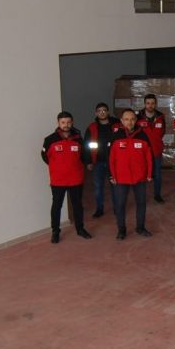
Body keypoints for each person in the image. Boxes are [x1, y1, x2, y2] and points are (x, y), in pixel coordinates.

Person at [41, 111, 92, 244]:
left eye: (69, 122)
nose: (66, 125)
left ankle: (80, 229)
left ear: (72, 122)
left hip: (76, 179)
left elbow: (84, 155)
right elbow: (45, 157)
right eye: (63, 122)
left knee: (77, 205)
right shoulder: (49, 139)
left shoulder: (78, 138)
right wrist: (57, 167)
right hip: (58, 180)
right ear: (58, 123)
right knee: (57, 206)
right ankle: (55, 231)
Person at [109, 109, 153, 240]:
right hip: (120, 178)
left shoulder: (143, 136)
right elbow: (110, 158)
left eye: (133, 119)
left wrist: (149, 174)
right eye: (127, 119)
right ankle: (121, 230)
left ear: (136, 120)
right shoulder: (115, 136)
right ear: (122, 121)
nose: (130, 122)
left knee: (141, 203)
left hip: (140, 178)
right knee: (120, 205)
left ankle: (140, 227)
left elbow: (149, 157)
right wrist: (111, 175)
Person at [84, 102, 121, 218]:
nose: (102, 112)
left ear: (108, 112)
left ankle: (117, 208)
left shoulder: (117, 124)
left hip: (113, 161)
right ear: (96, 113)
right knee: (98, 187)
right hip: (98, 161)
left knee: (115, 186)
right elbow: (87, 145)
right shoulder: (91, 127)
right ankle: (99, 209)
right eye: (99, 111)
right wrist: (88, 161)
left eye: (104, 110)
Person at [136, 94, 166, 204]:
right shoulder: (138, 117)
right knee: (141, 174)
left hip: (156, 150)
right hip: (142, 152)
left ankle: (157, 195)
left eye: (152, 103)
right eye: (148, 103)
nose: (150, 105)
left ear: (155, 104)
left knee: (157, 175)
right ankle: (141, 196)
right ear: (144, 104)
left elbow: (162, 132)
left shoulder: (160, 117)